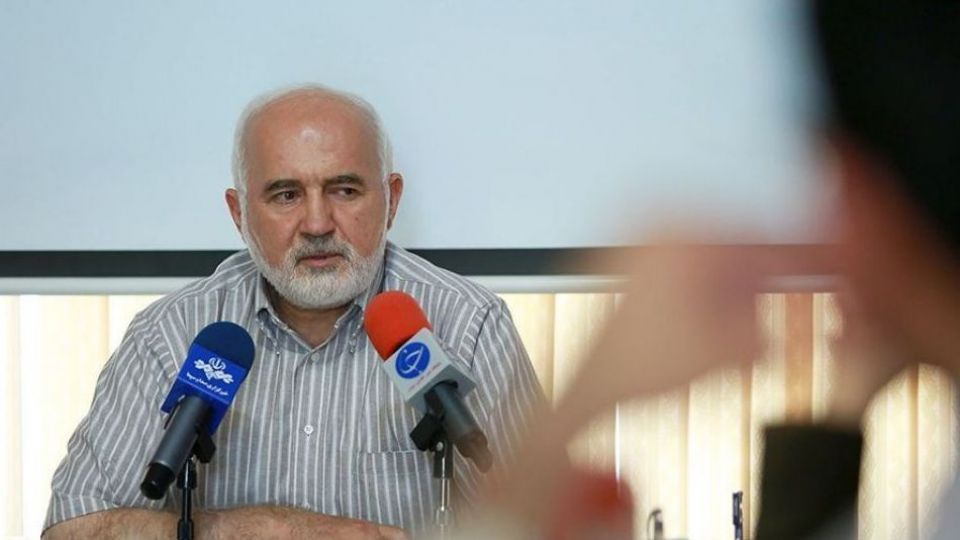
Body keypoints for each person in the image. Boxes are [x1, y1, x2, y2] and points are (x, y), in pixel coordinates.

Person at [42, 86, 545, 539]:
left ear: (392, 200)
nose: (317, 223)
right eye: (286, 195)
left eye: (344, 190)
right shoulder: (171, 334)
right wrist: (248, 530)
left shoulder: (468, 324)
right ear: (239, 214)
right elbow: (72, 528)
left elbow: (551, 522)